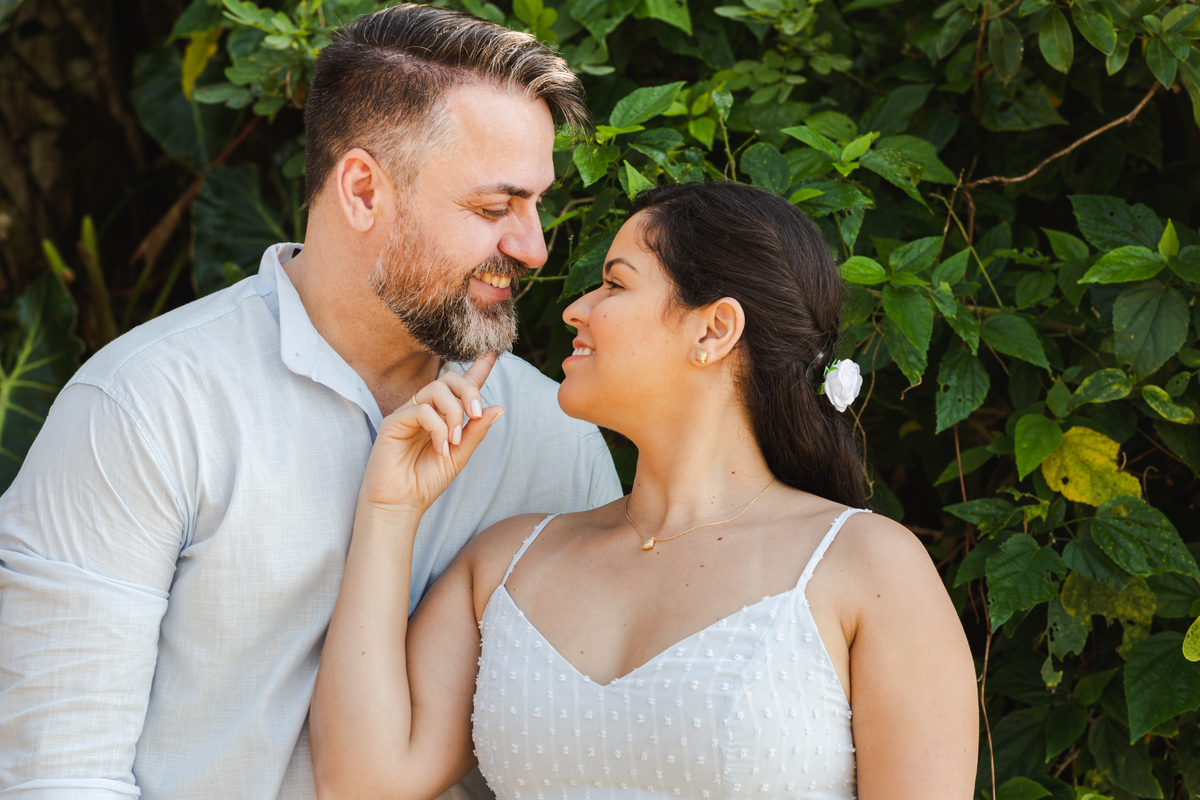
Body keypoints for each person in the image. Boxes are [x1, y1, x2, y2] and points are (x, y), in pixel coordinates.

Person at [0, 6, 620, 799]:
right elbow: (59, 775)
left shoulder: (554, 439)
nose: (533, 247)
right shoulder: (145, 408)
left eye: (535, 205)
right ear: (363, 190)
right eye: (494, 209)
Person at [310, 181, 980, 800]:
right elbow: (363, 783)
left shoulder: (865, 566)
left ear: (714, 329)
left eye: (613, 284)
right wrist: (390, 511)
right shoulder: (506, 564)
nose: (577, 308)